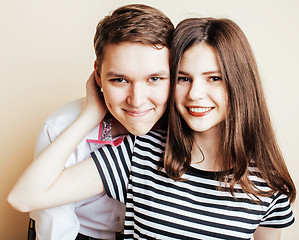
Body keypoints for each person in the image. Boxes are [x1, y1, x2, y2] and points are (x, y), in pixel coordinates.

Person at [8, 17, 295, 240]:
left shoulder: (268, 186)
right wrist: (91, 113)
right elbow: (23, 198)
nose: (195, 93)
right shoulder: (142, 152)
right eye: (183, 78)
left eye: (214, 78)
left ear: (239, 83)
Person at [23, 4, 174, 240]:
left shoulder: (182, 126)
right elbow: (55, 224)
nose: (137, 100)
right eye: (120, 80)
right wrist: (90, 116)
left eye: (154, 78)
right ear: (98, 75)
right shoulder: (60, 127)